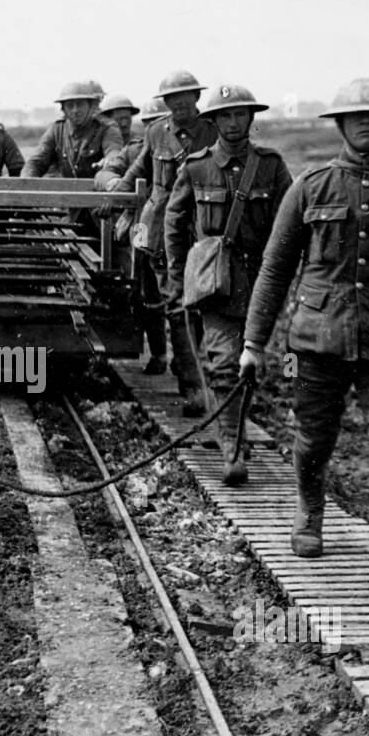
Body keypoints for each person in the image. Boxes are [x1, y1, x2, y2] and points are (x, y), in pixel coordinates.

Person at [239, 78, 369, 601]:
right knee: (313, 439)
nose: (365, 123)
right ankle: (309, 512)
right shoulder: (309, 188)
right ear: (338, 124)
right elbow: (273, 271)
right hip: (318, 342)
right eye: (355, 116)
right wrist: (253, 343)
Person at [164, 85, 291, 484]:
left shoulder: (271, 166)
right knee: (222, 366)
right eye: (225, 116)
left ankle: (236, 430)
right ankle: (232, 449)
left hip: (260, 283)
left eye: (240, 115)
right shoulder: (198, 166)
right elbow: (174, 219)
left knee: (249, 366)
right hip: (215, 283)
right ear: (214, 121)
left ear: (250, 119)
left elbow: (289, 225)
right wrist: (179, 271)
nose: (234, 123)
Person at [98, 71, 217, 411]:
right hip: (163, 231)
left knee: (198, 305)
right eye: (171, 98)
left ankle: (189, 365)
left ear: (196, 97)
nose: (179, 103)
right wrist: (114, 194)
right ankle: (193, 384)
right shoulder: (156, 132)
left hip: (203, 229)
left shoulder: (213, 131)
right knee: (176, 304)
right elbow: (137, 171)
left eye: (185, 96)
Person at [94, 93, 166, 373]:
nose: (155, 129)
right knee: (149, 294)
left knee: (183, 304)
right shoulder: (137, 151)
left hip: (181, 238)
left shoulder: (192, 152)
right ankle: (159, 355)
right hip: (146, 233)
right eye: (149, 123)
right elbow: (108, 172)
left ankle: (190, 369)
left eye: (159, 122)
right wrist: (115, 188)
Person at [23, 81, 124, 181]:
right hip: (65, 191)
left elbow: (113, 150)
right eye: (70, 106)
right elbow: (36, 161)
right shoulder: (57, 129)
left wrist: (110, 160)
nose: (75, 110)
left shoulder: (106, 128)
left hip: (97, 190)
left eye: (80, 104)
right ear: (63, 109)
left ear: (90, 106)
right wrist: (26, 181)